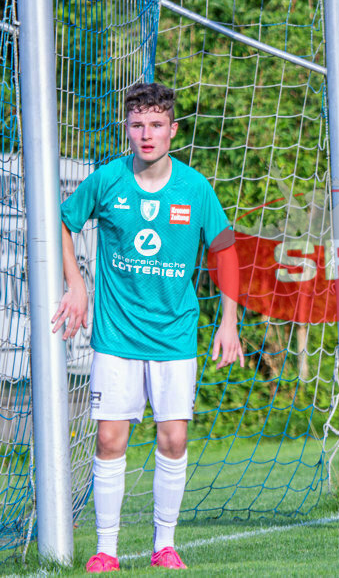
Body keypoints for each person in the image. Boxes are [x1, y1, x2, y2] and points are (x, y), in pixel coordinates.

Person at [51, 82, 245, 570]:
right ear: (127, 128)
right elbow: (63, 223)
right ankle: (106, 550)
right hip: (116, 336)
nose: (146, 134)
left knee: (173, 439)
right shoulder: (108, 179)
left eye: (156, 125)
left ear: (172, 130)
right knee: (109, 440)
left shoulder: (194, 188)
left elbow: (225, 251)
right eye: (137, 125)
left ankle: (165, 546)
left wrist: (229, 321)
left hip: (174, 336)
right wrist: (76, 284)